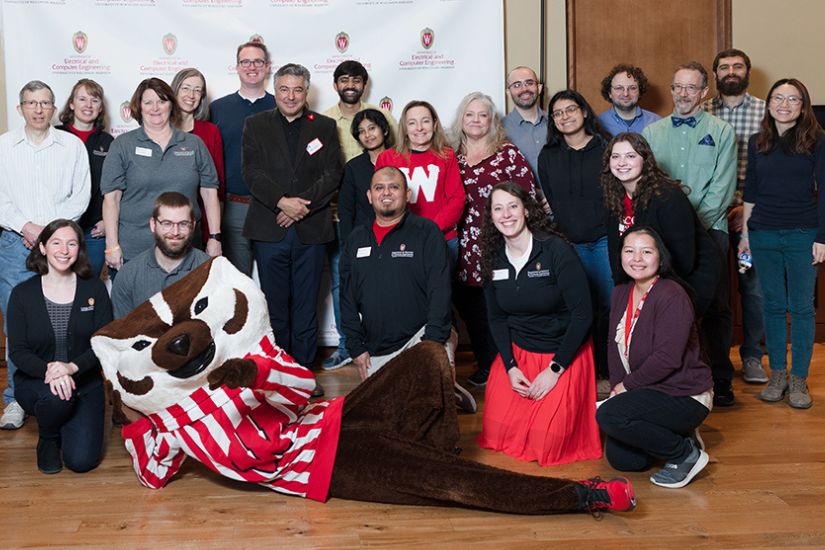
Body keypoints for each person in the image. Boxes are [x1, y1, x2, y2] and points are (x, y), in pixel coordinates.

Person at [478, 182, 601, 466]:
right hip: (520, 352)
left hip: (563, 352)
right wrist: (509, 366)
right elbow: (496, 317)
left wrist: (555, 369)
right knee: (497, 432)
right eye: (498, 208)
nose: (506, 215)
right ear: (491, 217)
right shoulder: (492, 258)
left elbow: (583, 316)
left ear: (526, 210)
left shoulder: (556, 250)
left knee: (546, 442)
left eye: (512, 206)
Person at [339, 166, 475, 413]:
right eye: (379, 188)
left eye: (394, 187)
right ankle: (443, 385)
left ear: (408, 194)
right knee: (386, 412)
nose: (386, 193)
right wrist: (356, 348)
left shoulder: (427, 232)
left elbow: (440, 291)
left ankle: (444, 382)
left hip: (421, 337)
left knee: (424, 408)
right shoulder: (355, 239)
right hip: (378, 346)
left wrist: (431, 343)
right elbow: (346, 299)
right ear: (369, 196)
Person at [642, 62, 737, 407]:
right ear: (672, 90)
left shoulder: (723, 132)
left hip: (710, 231)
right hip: (665, 237)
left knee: (716, 307)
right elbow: (650, 185)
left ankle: (721, 379)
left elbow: (722, 189)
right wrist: (674, 228)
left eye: (691, 88)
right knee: (670, 307)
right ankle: (676, 377)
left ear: (704, 92)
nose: (683, 94)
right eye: (678, 87)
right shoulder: (653, 134)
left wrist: (691, 226)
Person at [242, 63, 342, 383]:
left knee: (305, 305)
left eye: (298, 89)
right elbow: (252, 173)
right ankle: (278, 375)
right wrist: (282, 202)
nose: (291, 95)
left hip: (310, 230)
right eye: (284, 89)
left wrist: (300, 207)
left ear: (306, 91)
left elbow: (332, 174)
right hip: (270, 230)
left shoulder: (324, 126)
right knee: (275, 307)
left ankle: (302, 376)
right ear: (275, 89)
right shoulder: (255, 124)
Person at [0, 80, 90, 430]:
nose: (38, 109)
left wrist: (51, 235)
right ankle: (15, 399)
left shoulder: (70, 146)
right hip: (13, 244)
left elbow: (80, 195)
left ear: (54, 108)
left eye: (45, 103)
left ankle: (65, 387)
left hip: (62, 245)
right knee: (17, 323)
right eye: (31, 103)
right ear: (20, 108)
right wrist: (26, 227)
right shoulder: (4, 146)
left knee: (63, 319)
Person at [597, 226, 712, 489]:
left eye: (646, 251)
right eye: (629, 251)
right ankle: (677, 435)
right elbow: (613, 350)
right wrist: (618, 389)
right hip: (647, 389)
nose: (637, 258)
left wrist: (625, 388)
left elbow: (668, 358)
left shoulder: (672, 294)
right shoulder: (620, 293)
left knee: (609, 417)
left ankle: (686, 454)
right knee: (624, 460)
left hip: (682, 393)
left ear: (660, 257)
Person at [739, 78, 825, 409]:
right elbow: (751, 191)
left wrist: (822, 237)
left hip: (803, 233)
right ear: (769, 102)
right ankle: (777, 374)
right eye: (778, 97)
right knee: (772, 305)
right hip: (763, 232)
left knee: (802, 307)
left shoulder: (816, 140)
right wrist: (746, 236)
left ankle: (798, 378)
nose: (784, 104)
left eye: (793, 99)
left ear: (803, 106)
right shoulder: (756, 140)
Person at [8, 219, 112, 474]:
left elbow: (105, 343)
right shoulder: (22, 294)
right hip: (37, 382)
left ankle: (64, 422)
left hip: (85, 383)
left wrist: (71, 367)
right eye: (56, 242)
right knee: (55, 398)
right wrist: (51, 371)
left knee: (81, 462)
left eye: (71, 243)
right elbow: (18, 352)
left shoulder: (95, 289)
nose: (64, 250)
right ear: (42, 247)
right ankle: (49, 437)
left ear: (79, 249)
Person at [449, 91, 536, 387]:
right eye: (470, 114)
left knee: (500, 306)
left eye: (482, 115)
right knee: (471, 309)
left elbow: (528, 196)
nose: (476, 120)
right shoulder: (450, 155)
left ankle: (509, 364)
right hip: (460, 244)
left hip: (499, 242)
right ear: (462, 119)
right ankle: (487, 363)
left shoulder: (507, 152)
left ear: (492, 121)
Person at [320, 61, 395, 372]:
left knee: (389, 281)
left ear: (364, 84)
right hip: (342, 217)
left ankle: (391, 340)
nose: (350, 84)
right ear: (336, 84)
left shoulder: (383, 114)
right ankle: (346, 346)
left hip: (387, 220)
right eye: (343, 79)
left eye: (356, 79)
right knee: (343, 284)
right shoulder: (324, 120)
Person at [101, 78, 221, 271]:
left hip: (186, 249)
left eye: (161, 101)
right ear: (139, 107)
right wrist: (111, 246)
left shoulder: (194, 144)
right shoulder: (122, 145)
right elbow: (111, 200)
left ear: (171, 105)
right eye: (148, 102)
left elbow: (210, 193)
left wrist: (215, 238)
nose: (155, 108)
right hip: (135, 251)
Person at [701, 49, 768, 385]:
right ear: (715, 74)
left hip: (749, 218)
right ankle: (714, 360)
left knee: (751, 284)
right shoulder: (701, 109)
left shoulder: (764, 111)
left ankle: (753, 355)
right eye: (724, 67)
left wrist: (745, 207)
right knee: (713, 289)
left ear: (747, 71)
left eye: (737, 66)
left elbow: (771, 167)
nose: (731, 71)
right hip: (710, 217)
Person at [601, 132, 721, 318]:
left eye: (630, 156)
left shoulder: (667, 196)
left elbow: (683, 259)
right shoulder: (614, 198)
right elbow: (615, 252)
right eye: (615, 156)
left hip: (687, 280)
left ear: (645, 160)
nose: (621, 162)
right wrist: (625, 293)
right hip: (648, 280)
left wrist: (653, 299)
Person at [538, 90, 612, 385]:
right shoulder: (548, 156)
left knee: (608, 305)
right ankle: (584, 372)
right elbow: (553, 203)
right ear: (553, 121)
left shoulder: (605, 148)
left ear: (584, 112)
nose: (565, 117)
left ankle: (606, 370)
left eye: (571, 110)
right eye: (558, 113)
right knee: (579, 308)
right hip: (571, 244)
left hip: (605, 240)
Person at [210, 41, 275, 276]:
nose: (252, 67)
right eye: (245, 61)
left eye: (258, 61)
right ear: (237, 67)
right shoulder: (217, 108)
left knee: (275, 282)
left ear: (267, 66)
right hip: (234, 208)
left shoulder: (282, 105)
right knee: (237, 285)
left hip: (273, 208)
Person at [375, 100, 465, 265]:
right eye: (412, 123)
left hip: (441, 239)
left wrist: (430, 230)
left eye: (425, 121)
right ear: (404, 128)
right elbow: (381, 201)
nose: (419, 128)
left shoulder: (447, 156)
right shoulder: (387, 158)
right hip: (399, 240)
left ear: (434, 124)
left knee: (442, 290)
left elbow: (457, 199)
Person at [111, 192, 209, 319]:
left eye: (183, 224)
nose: (175, 232)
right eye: (167, 223)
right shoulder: (128, 274)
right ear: (153, 225)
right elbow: (121, 332)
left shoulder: (211, 270)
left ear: (193, 226)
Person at [56, 78, 113, 278]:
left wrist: (108, 221)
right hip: (57, 227)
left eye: (94, 100)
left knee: (86, 286)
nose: (88, 105)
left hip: (93, 231)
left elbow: (113, 187)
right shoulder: (54, 136)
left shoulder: (108, 142)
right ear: (71, 104)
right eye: (82, 99)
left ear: (100, 108)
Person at [171, 68, 226, 246]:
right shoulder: (161, 129)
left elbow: (218, 184)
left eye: (197, 90)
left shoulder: (210, 132)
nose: (191, 95)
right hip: (164, 218)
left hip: (200, 218)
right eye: (186, 88)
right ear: (175, 90)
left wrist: (214, 234)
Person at [337, 109, 393, 245]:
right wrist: (349, 244)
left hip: (398, 236)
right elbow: (346, 209)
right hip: (364, 237)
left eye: (372, 128)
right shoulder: (353, 167)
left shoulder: (400, 160)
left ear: (384, 130)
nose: (367, 135)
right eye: (361, 131)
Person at [502, 66, 547, 176]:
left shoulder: (557, 123)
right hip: (521, 193)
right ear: (508, 92)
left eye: (529, 83)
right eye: (517, 85)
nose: (524, 89)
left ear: (539, 88)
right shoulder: (499, 129)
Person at [596, 64, 661, 136]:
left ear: (640, 92)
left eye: (632, 88)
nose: (626, 94)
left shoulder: (657, 122)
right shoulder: (597, 124)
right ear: (609, 93)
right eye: (619, 88)